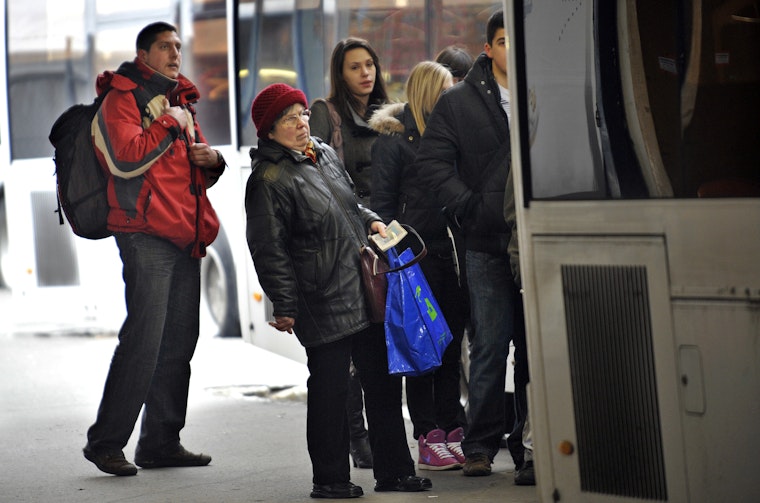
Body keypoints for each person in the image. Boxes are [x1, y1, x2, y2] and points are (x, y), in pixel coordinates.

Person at [245, 83, 432, 499]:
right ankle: (329, 479)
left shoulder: (323, 153)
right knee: (330, 392)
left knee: (383, 384)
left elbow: (350, 202)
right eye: (289, 118)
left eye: (302, 113)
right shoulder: (268, 179)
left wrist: (370, 221)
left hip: (362, 287)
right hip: (320, 296)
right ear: (269, 130)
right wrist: (285, 305)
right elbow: (267, 248)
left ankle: (395, 472)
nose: (300, 123)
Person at [83, 21, 225, 476]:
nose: (175, 53)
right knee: (144, 338)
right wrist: (170, 122)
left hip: (185, 230)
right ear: (143, 53)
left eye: (179, 46)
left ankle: (161, 440)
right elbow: (126, 159)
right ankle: (105, 443)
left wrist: (213, 160)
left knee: (181, 338)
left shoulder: (181, 99)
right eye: (165, 46)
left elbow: (186, 166)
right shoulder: (120, 98)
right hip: (143, 232)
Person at [414, 9, 533, 484]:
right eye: (503, 41)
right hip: (485, 243)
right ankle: (479, 445)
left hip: (534, 238)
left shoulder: (543, 92)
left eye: (518, 42)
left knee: (532, 347)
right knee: (488, 345)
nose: (511, 50)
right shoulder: (459, 101)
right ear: (489, 48)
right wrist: (469, 207)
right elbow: (432, 163)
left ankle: (528, 446)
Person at [369, 61, 469, 472]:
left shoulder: (449, 136)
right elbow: (382, 207)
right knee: (422, 347)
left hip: (452, 253)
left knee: (449, 344)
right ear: (431, 93)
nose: (453, 98)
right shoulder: (394, 143)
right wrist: (400, 257)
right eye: (446, 90)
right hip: (415, 260)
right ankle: (427, 434)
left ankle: (451, 428)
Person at [309, 36, 391, 468]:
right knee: (354, 347)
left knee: (378, 342)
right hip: (348, 237)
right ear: (340, 74)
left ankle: (382, 439)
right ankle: (359, 440)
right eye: (355, 67)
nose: (365, 73)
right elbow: (318, 174)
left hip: (385, 231)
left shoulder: (387, 112)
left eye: (370, 65)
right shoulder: (328, 113)